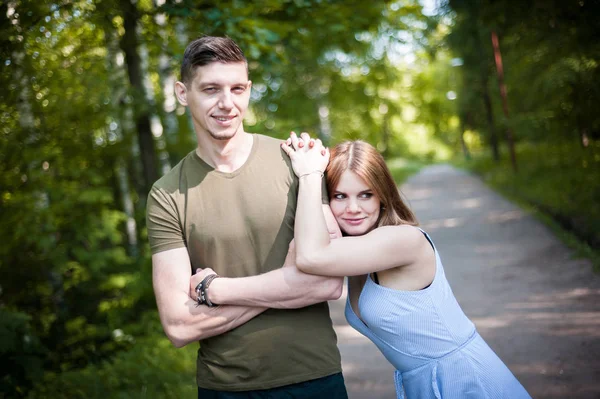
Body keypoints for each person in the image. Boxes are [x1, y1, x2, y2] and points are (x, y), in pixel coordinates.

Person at [146, 36, 348, 398]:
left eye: (237, 88)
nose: (227, 104)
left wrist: (214, 290)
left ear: (249, 90)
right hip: (224, 387)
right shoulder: (167, 193)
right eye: (210, 89)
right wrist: (290, 282)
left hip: (314, 376)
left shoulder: (297, 162)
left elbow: (327, 284)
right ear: (182, 92)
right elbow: (178, 325)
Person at [279, 136, 532, 399]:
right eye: (340, 196)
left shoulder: (403, 240)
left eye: (366, 194)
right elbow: (300, 263)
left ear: (382, 196)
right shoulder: (357, 250)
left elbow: (311, 256)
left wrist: (309, 175)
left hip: (464, 378)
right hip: (423, 383)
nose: (353, 208)